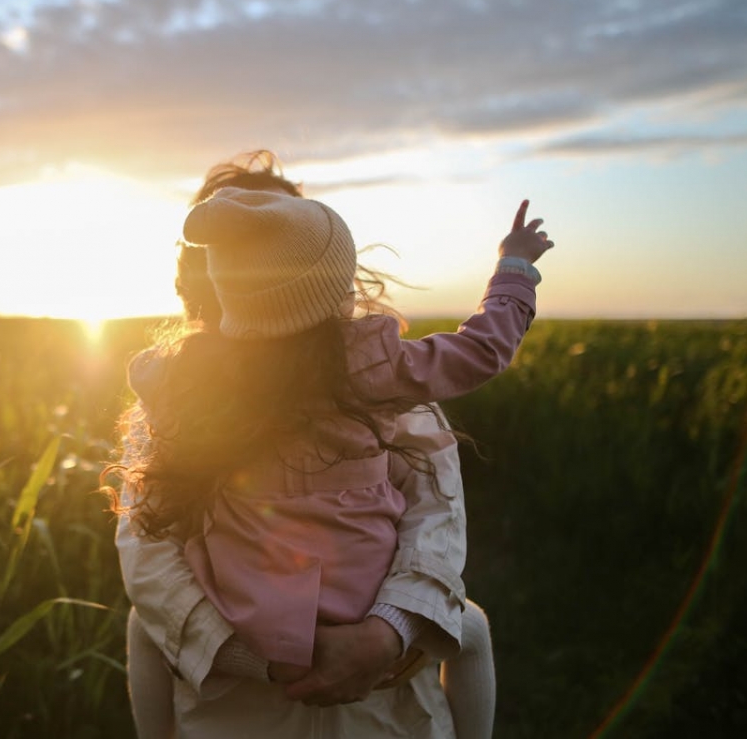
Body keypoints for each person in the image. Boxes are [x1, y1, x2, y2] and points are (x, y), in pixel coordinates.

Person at [111, 151, 548, 738]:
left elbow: (435, 516)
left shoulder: (182, 383)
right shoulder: (376, 373)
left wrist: (383, 635)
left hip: (378, 697)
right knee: (471, 628)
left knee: (144, 627)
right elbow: (148, 549)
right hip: (238, 703)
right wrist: (514, 270)